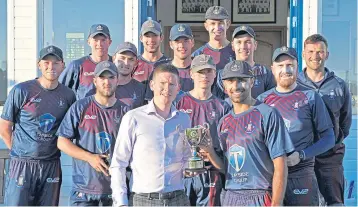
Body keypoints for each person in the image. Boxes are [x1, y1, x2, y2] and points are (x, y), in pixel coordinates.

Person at [204, 60, 294, 206]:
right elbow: (227, 169)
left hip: (260, 195)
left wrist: (276, 204)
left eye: (241, 80)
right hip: (231, 197)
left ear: (251, 82)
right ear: (224, 86)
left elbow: (280, 165)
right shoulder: (224, 122)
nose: (236, 86)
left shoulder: (267, 114)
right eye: (231, 81)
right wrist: (209, 152)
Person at [257, 46, 335, 206]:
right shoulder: (262, 101)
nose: (285, 70)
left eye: (290, 65)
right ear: (272, 69)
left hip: (301, 176)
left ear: (297, 68)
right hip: (270, 178)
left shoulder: (310, 97)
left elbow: (329, 138)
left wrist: (301, 155)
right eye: (280, 66)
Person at [0, 46, 76, 206]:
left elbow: (71, 129)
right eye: (46, 62)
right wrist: (19, 151)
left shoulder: (68, 95)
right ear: (39, 65)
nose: (51, 67)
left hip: (51, 164)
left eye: (56, 63)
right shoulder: (22, 90)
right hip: (22, 165)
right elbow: (4, 127)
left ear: (63, 65)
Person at [110, 64, 192, 206]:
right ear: (152, 85)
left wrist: (190, 167)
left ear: (178, 88)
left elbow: (186, 157)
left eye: (172, 84)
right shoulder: (133, 118)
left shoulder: (184, 119)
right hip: (144, 200)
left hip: (178, 198)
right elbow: (118, 163)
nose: (167, 88)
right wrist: (120, 202)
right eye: (162, 83)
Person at [56, 61, 129, 206]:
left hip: (116, 191)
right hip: (84, 191)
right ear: (95, 81)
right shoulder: (80, 107)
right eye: (102, 77)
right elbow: (62, 142)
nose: (106, 82)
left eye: (111, 77)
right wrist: (89, 157)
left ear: (118, 80)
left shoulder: (127, 112)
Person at [298, 34, 352, 206]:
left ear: (327, 54)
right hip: (301, 158)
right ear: (304, 54)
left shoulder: (339, 85)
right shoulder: (294, 85)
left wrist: (332, 142)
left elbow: (345, 122)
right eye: (311, 51)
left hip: (330, 158)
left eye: (320, 52)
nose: (315, 56)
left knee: (334, 202)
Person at [174, 54, 231, 206]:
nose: (204, 76)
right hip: (183, 173)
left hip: (211, 172)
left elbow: (227, 144)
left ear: (215, 74)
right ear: (191, 74)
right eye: (200, 72)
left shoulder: (223, 106)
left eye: (208, 71)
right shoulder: (178, 102)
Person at [59, 24, 112, 100]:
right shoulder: (77, 65)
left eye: (103, 40)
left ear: (110, 42)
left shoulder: (115, 65)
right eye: (95, 40)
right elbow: (60, 92)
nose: (99, 44)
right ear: (88, 42)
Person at [192, 6, 235, 99]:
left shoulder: (236, 51)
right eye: (212, 23)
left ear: (228, 24)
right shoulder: (198, 54)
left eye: (220, 23)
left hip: (233, 106)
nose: (217, 27)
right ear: (206, 26)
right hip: (207, 106)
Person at [145, 24, 195, 100]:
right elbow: (151, 102)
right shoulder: (160, 70)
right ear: (171, 44)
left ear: (192, 42)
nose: (181, 45)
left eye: (186, 41)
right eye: (177, 41)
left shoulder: (200, 71)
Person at [229, 25, 275, 99]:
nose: (243, 47)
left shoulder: (266, 74)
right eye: (239, 42)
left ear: (255, 45)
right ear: (233, 46)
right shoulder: (225, 74)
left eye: (248, 42)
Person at [131, 19, 171, 88]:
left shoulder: (169, 64)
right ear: (141, 38)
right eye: (147, 36)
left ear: (161, 38)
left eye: (154, 35)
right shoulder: (133, 64)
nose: (151, 40)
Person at [113, 42, 146, 108]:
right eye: (122, 58)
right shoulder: (105, 86)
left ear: (136, 63)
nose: (126, 63)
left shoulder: (141, 89)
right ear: (114, 59)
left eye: (131, 59)